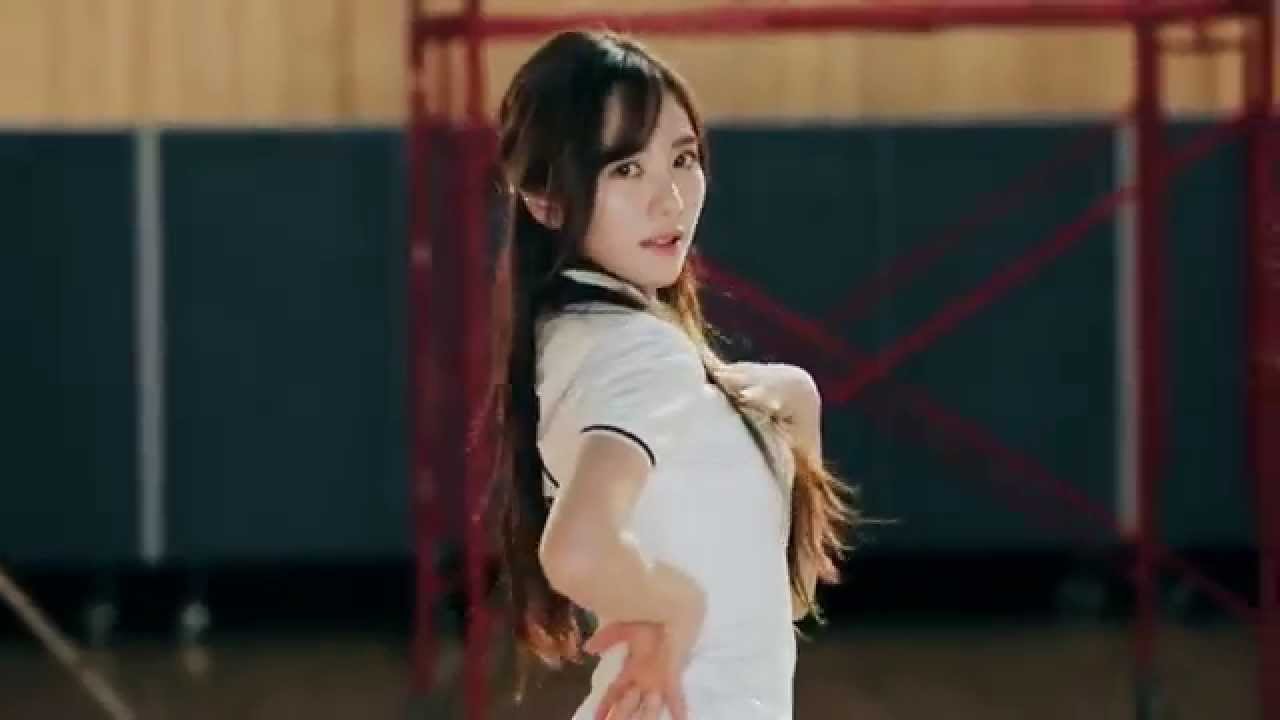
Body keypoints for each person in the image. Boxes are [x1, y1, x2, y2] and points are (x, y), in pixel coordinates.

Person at [484, 29, 856, 720]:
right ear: (545, 200)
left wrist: (794, 400)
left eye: (683, 159)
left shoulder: (579, 336)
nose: (672, 200)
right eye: (626, 169)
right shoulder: (642, 356)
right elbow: (577, 548)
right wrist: (674, 603)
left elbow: (780, 601)